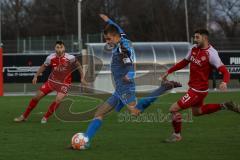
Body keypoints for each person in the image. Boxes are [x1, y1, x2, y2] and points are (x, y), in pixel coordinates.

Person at [80, 14, 181, 148]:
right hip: (119, 88)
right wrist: (107, 20)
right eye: (105, 39)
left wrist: (130, 74)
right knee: (99, 113)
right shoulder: (122, 37)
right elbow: (116, 27)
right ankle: (85, 141)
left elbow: (130, 63)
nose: (107, 41)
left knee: (135, 112)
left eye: (108, 38)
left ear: (115, 36)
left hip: (125, 86)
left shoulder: (122, 48)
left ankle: (163, 88)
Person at [162, 29, 240, 142]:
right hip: (195, 89)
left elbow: (225, 71)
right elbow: (184, 62)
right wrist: (169, 71)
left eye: (197, 37)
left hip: (197, 90)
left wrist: (224, 82)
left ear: (205, 38)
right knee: (197, 112)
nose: (195, 39)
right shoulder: (194, 48)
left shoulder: (211, 54)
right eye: (194, 37)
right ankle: (224, 106)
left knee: (173, 108)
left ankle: (177, 135)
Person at [14, 41, 87, 123]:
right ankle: (24, 116)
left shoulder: (70, 58)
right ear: (55, 48)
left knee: (58, 100)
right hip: (52, 81)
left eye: (61, 47)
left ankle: (45, 117)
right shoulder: (50, 57)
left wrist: (82, 77)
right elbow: (43, 66)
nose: (59, 49)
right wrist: (36, 76)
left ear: (64, 48)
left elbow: (79, 66)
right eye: (57, 47)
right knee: (36, 97)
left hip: (64, 83)